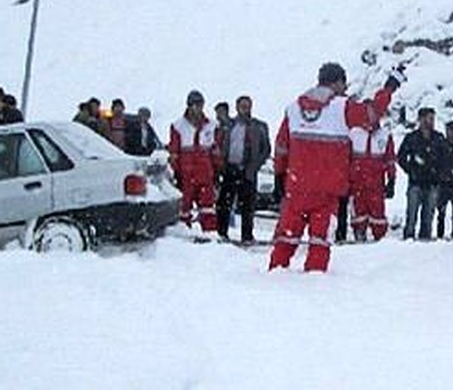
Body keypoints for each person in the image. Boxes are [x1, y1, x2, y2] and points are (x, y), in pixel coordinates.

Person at [269, 62, 404, 272]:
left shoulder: (293, 109)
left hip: (296, 188)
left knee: (286, 240)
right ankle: (314, 282)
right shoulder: (342, 107)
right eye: (344, 84)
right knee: (320, 242)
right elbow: (373, 114)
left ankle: (273, 279)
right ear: (338, 82)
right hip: (327, 191)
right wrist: (389, 87)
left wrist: (279, 176)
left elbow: (281, 147)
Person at [215, 95, 271, 244]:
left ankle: (247, 235)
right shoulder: (229, 126)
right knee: (224, 203)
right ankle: (221, 232)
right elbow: (220, 144)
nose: (244, 109)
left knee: (247, 205)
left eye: (247, 106)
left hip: (248, 170)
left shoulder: (258, 126)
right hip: (230, 168)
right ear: (237, 107)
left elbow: (265, 149)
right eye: (242, 106)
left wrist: (255, 165)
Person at [168, 90, 220, 233]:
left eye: (200, 105)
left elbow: (216, 151)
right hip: (186, 175)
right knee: (184, 209)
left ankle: (210, 235)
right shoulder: (178, 126)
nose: (197, 108)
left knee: (208, 208)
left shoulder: (212, 125)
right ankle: (184, 235)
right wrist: (175, 173)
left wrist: (217, 172)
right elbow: (174, 152)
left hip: (205, 174)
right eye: (194, 105)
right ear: (188, 106)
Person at [397, 107, 448, 240]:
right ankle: (408, 241)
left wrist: (439, 173)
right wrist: (410, 170)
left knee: (428, 217)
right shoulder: (411, 138)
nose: (431, 122)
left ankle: (425, 243)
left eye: (433, 119)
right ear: (421, 119)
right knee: (411, 217)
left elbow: (445, 158)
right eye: (429, 118)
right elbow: (401, 157)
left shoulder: (438, 138)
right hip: (415, 183)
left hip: (432, 183)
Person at [348, 119, 397, 241]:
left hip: (376, 183)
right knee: (359, 212)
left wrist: (391, 180)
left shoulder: (385, 136)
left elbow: (390, 160)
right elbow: (346, 158)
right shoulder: (353, 134)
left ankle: (379, 238)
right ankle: (359, 234)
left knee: (378, 213)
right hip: (357, 182)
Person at [434, 120, 453, 239]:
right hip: (443, 183)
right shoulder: (441, 145)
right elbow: (436, 161)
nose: (448, 133)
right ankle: (440, 234)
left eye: (450, 131)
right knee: (441, 211)